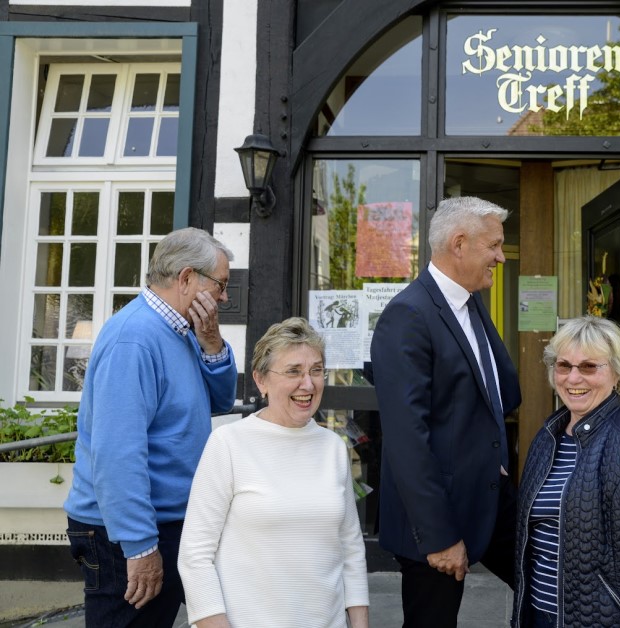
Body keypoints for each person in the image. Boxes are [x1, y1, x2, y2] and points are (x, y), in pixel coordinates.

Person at [64, 227, 237, 627]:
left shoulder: (180, 329)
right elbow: (116, 454)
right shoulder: (135, 339)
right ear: (186, 278)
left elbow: (220, 401)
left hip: (161, 523)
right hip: (122, 535)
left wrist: (212, 344)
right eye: (221, 285)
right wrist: (140, 546)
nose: (225, 297)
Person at [370, 195, 522, 628]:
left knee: (549, 584)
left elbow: (494, 392)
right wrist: (438, 537)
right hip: (434, 517)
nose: (500, 256)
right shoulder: (408, 315)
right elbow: (406, 440)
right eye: (494, 245)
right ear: (459, 244)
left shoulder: (470, 301)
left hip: (490, 493)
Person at [178, 317, 368, 627]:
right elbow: (195, 556)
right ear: (261, 380)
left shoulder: (333, 447)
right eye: (293, 371)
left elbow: (351, 548)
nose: (307, 384)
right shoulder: (228, 444)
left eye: (316, 370)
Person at [512, 315, 620, 628]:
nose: (574, 378)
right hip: (537, 615)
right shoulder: (548, 437)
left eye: (589, 367)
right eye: (564, 366)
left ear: (616, 373)